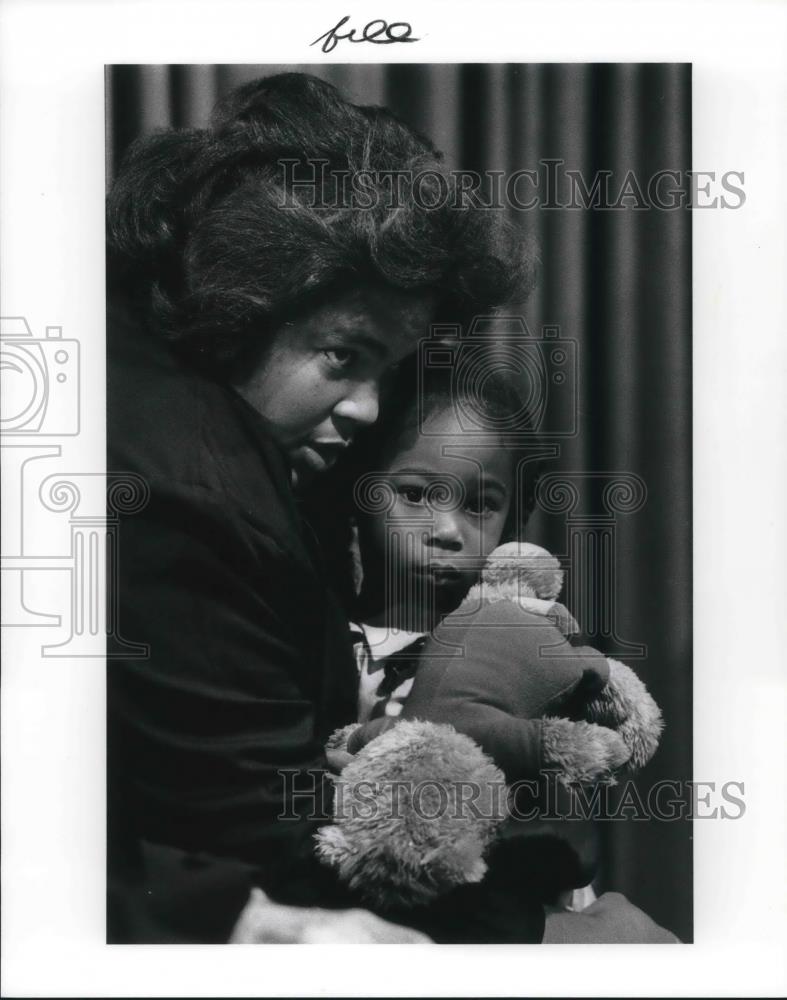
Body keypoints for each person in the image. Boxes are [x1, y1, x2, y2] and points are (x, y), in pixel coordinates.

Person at [105, 72, 533, 942]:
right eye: (342, 357)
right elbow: (274, 841)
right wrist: (542, 942)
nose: (368, 412)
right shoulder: (190, 497)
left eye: (385, 371)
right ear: (239, 305)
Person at [319, 360, 678, 941]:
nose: (447, 530)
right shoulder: (335, 645)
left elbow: (575, 832)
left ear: (514, 515)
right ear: (360, 491)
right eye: (414, 494)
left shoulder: (521, 645)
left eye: (480, 504)